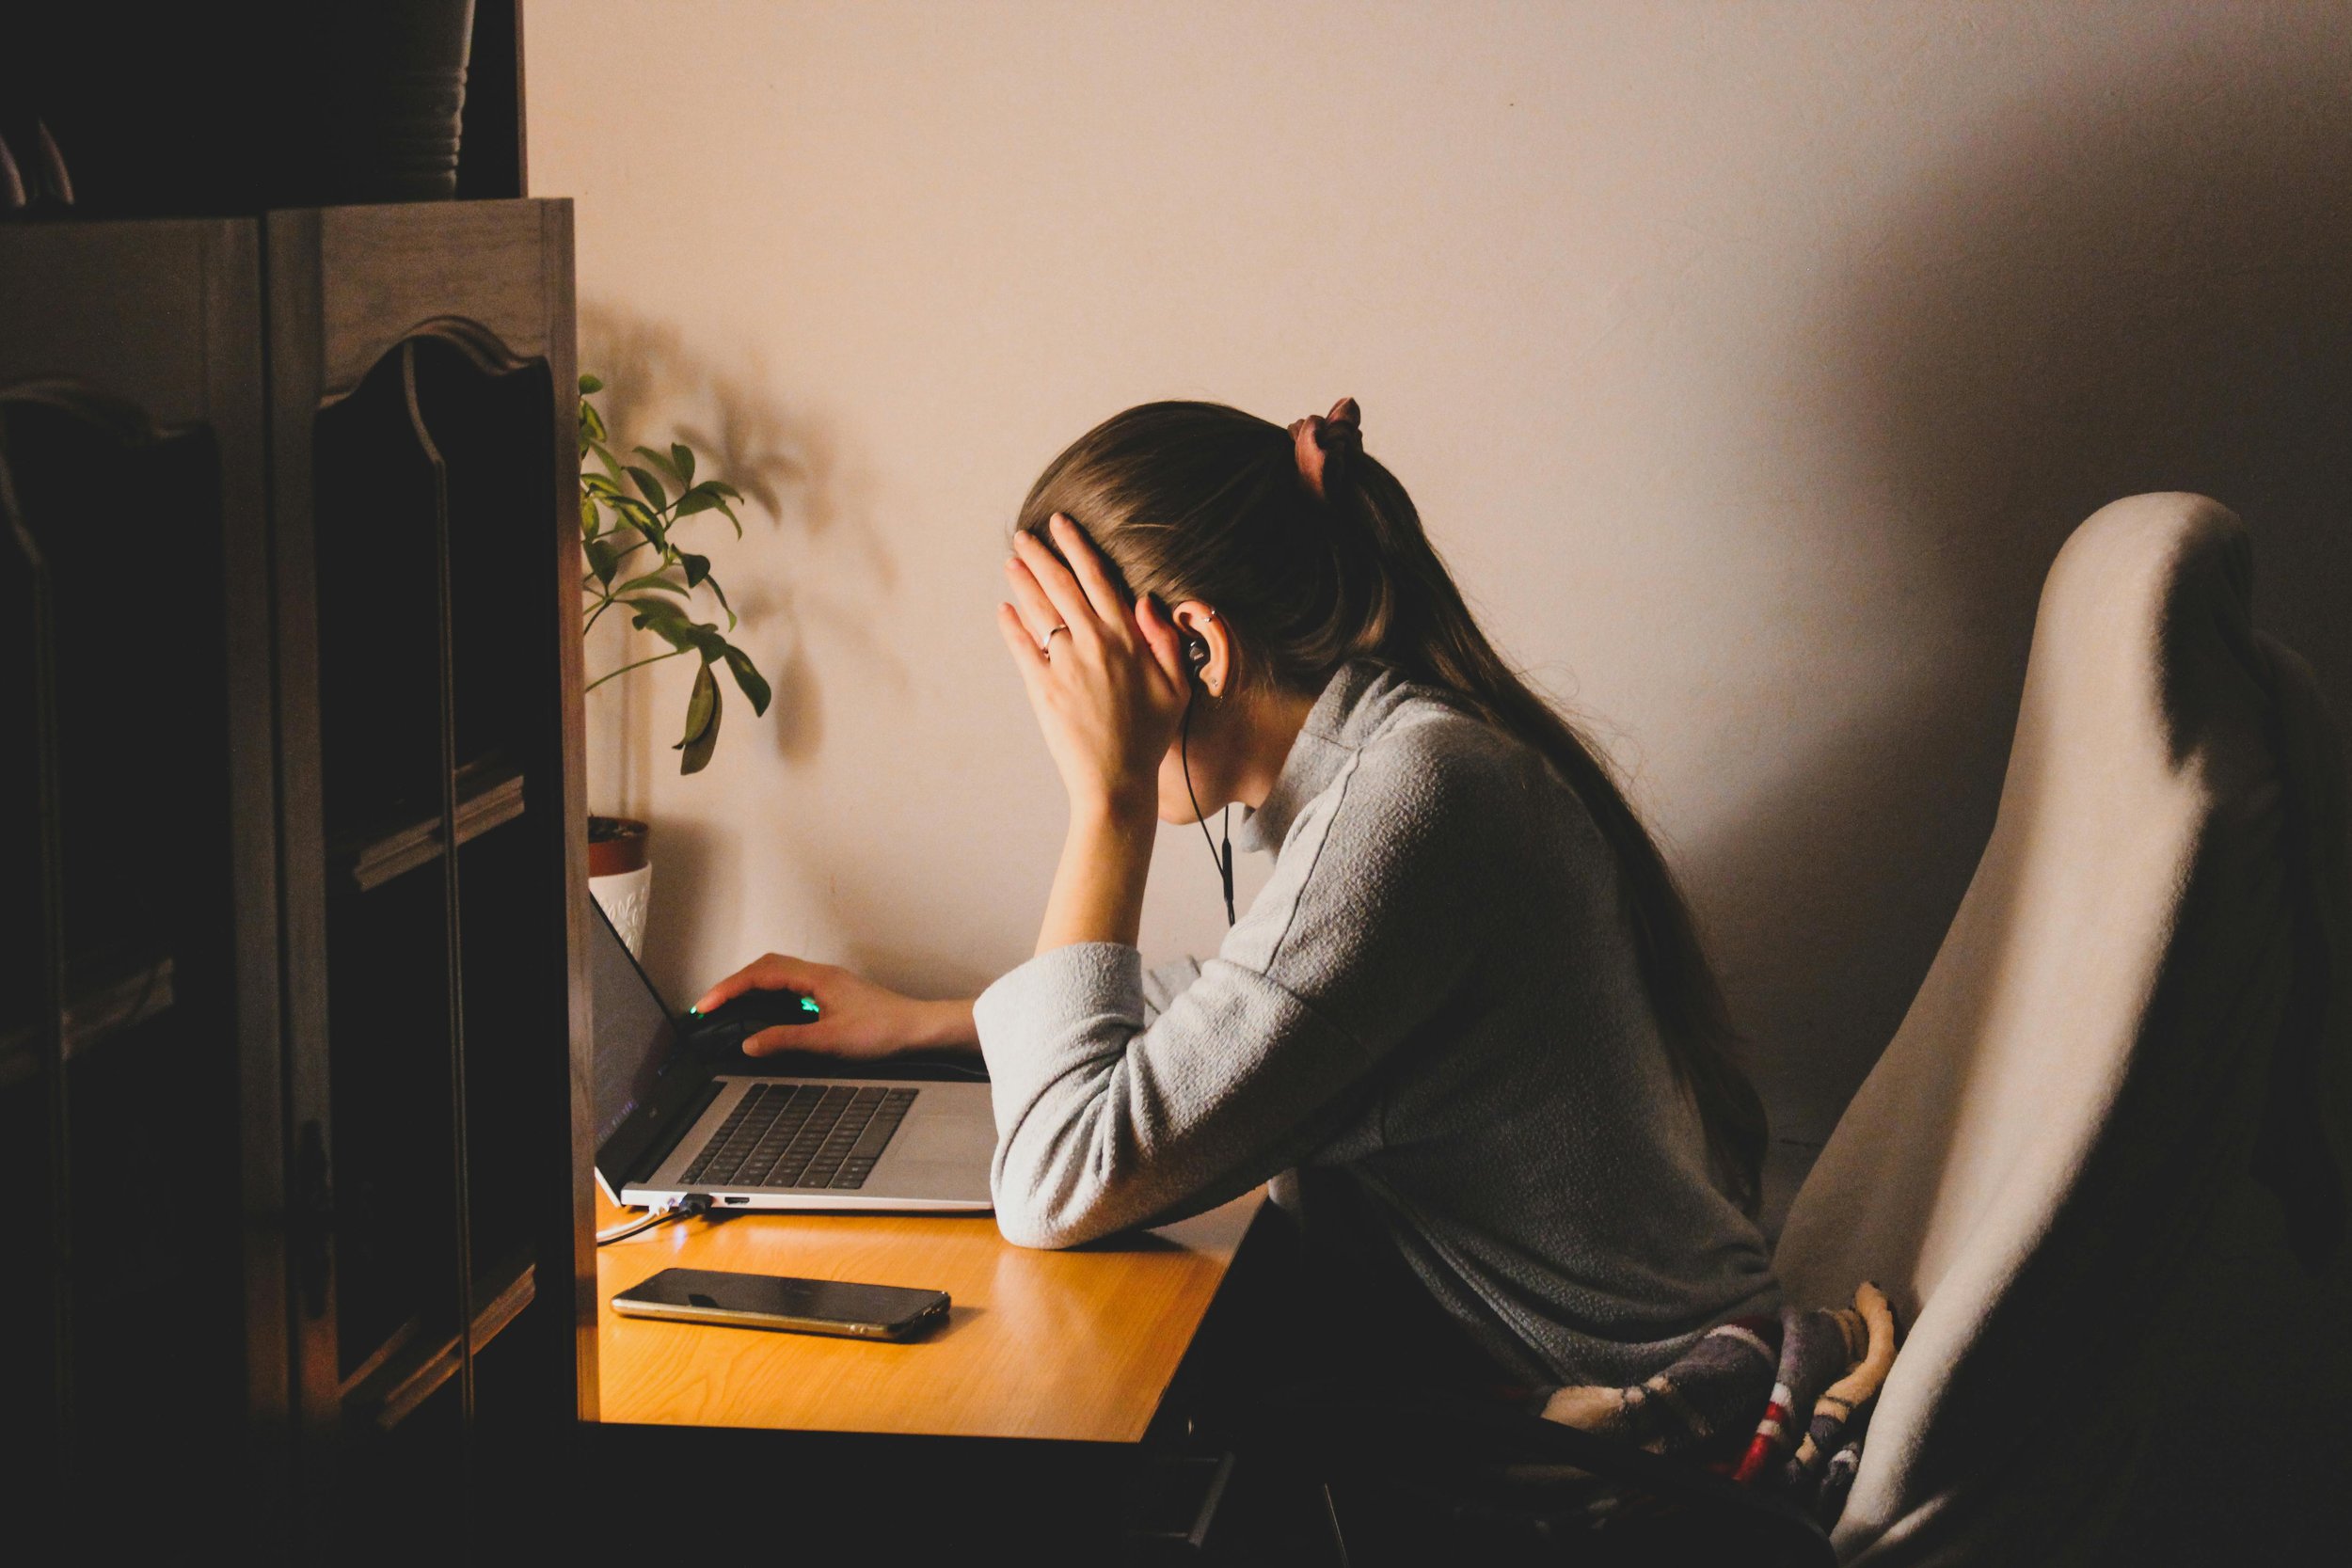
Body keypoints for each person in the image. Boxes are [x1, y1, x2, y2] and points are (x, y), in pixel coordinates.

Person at [694, 398, 1778, 1387]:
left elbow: (1059, 1179)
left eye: (1063, 662)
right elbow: (1251, 1002)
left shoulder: (1412, 802)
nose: (1052, 708)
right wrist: (934, 1020)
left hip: (1612, 1457)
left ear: (1196, 650)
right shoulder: (1406, 762)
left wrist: (1108, 797)